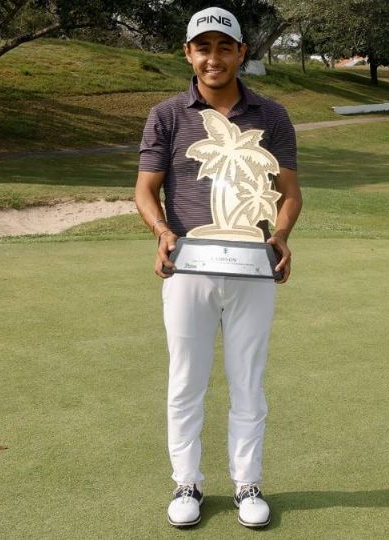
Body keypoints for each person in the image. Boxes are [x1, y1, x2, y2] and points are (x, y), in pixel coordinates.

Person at [133, 6, 301, 529]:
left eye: (224, 47)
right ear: (188, 54)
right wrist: (162, 234)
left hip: (253, 268)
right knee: (186, 380)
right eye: (203, 48)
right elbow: (145, 189)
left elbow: (290, 193)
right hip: (188, 268)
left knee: (247, 379)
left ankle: (247, 483)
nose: (214, 58)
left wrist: (279, 236)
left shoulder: (270, 115)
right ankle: (188, 482)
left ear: (241, 53)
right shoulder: (167, 114)